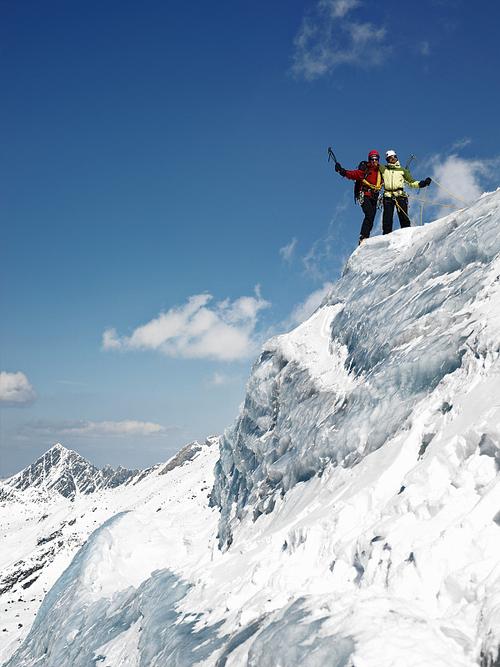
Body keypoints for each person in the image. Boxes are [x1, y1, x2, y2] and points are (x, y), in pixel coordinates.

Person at [378, 149, 431, 234]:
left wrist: (422, 183)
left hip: (400, 196)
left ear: (396, 157)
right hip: (388, 196)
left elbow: (411, 182)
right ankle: (386, 236)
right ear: (387, 160)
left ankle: (406, 234)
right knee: (387, 219)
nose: (392, 159)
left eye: (394, 157)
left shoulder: (402, 171)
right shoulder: (384, 169)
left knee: (404, 217)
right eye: (390, 158)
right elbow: (374, 165)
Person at [335, 149, 382, 244]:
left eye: (376, 159)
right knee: (369, 214)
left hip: (374, 197)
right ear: (369, 159)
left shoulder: (381, 172)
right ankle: (363, 236)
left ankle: (365, 237)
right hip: (364, 195)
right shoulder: (365, 169)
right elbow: (354, 174)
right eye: (372, 159)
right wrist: (342, 171)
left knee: (371, 217)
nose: (374, 161)